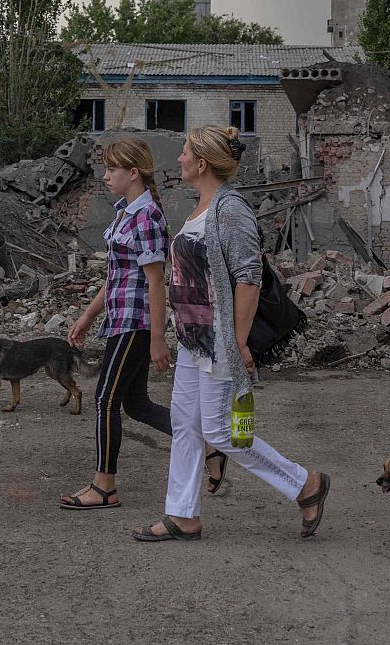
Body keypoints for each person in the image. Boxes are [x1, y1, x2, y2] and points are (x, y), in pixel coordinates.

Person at [131, 125, 330, 542]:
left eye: (185, 152)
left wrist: (237, 341)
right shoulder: (200, 207)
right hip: (194, 340)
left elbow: (248, 277)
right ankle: (183, 515)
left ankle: (304, 484)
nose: (180, 158)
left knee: (220, 431)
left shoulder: (230, 208)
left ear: (202, 163)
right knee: (185, 425)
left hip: (219, 341)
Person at [60, 137, 226, 510]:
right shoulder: (124, 212)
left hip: (135, 322)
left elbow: (156, 281)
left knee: (105, 400)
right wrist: (88, 315)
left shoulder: (147, 216)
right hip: (120, 318)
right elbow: (116, 277)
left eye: (112, 169)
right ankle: (207, 445)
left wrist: (157, 339)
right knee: (135, 403)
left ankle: (104, 486)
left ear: (133, 172)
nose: (105, 176)